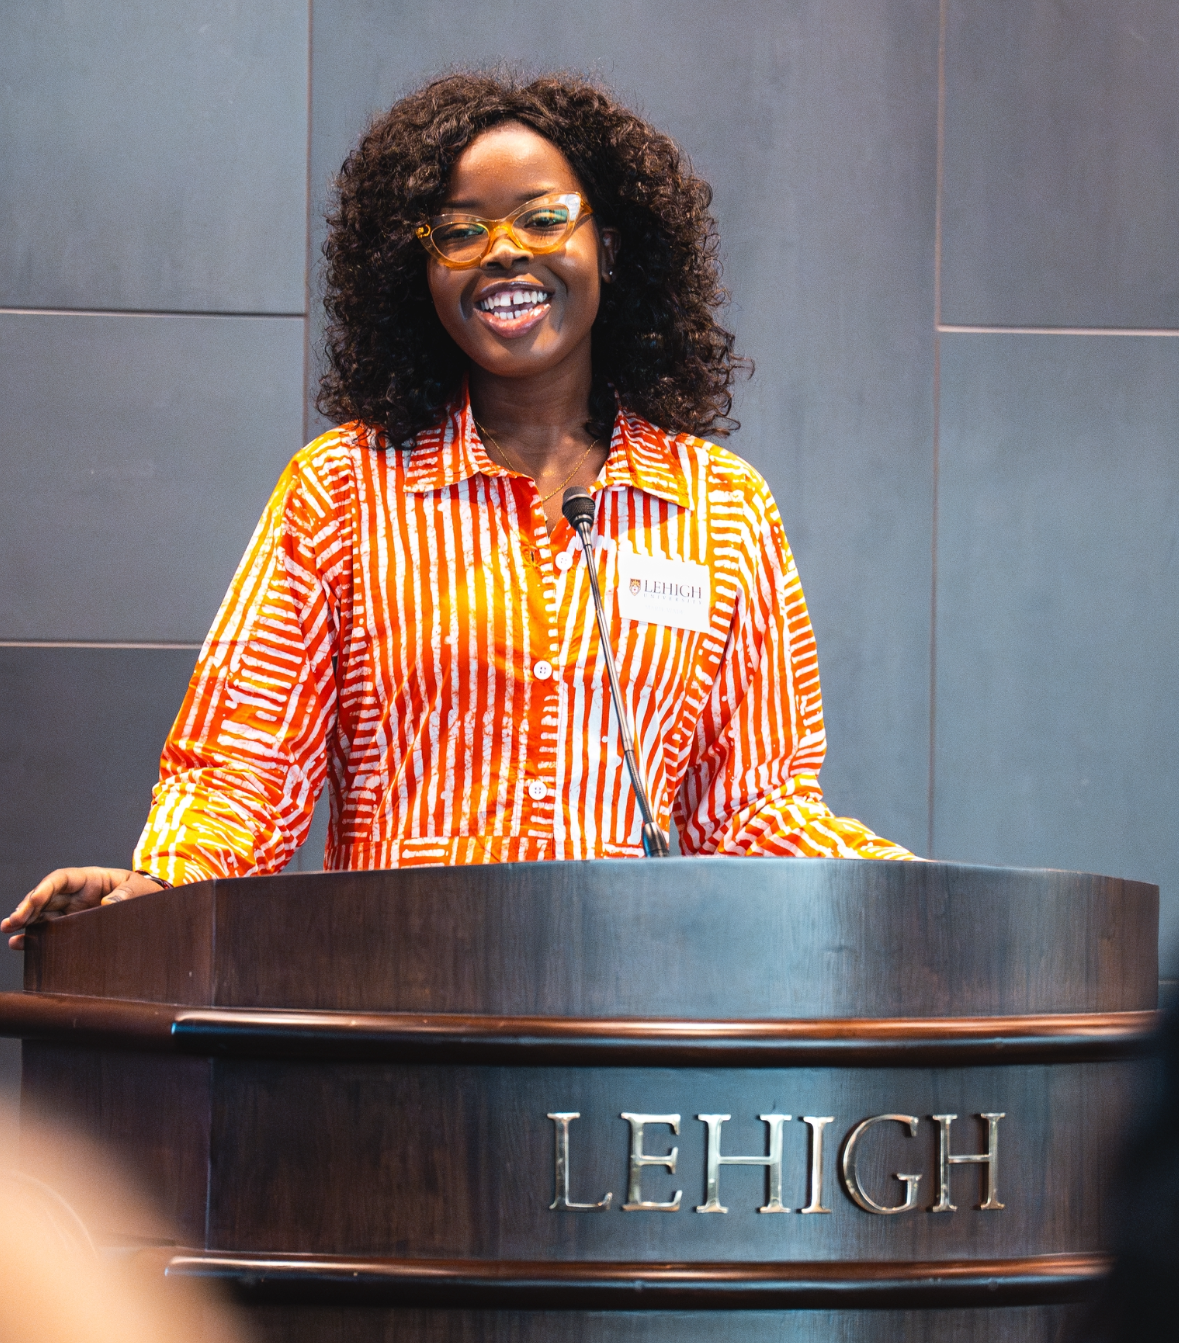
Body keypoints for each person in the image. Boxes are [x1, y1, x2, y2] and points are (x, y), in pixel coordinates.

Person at [4, 72, 912, 950]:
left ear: (613, 245)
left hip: (637, 1017)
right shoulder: (345, 489)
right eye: (459, 231)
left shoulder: (721, 507)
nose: (504, 251)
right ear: (419, 270)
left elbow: (750, 808)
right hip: (402, 1015)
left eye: (543, 216)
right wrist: (160, 885)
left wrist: (906, 887)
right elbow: (245, 763)